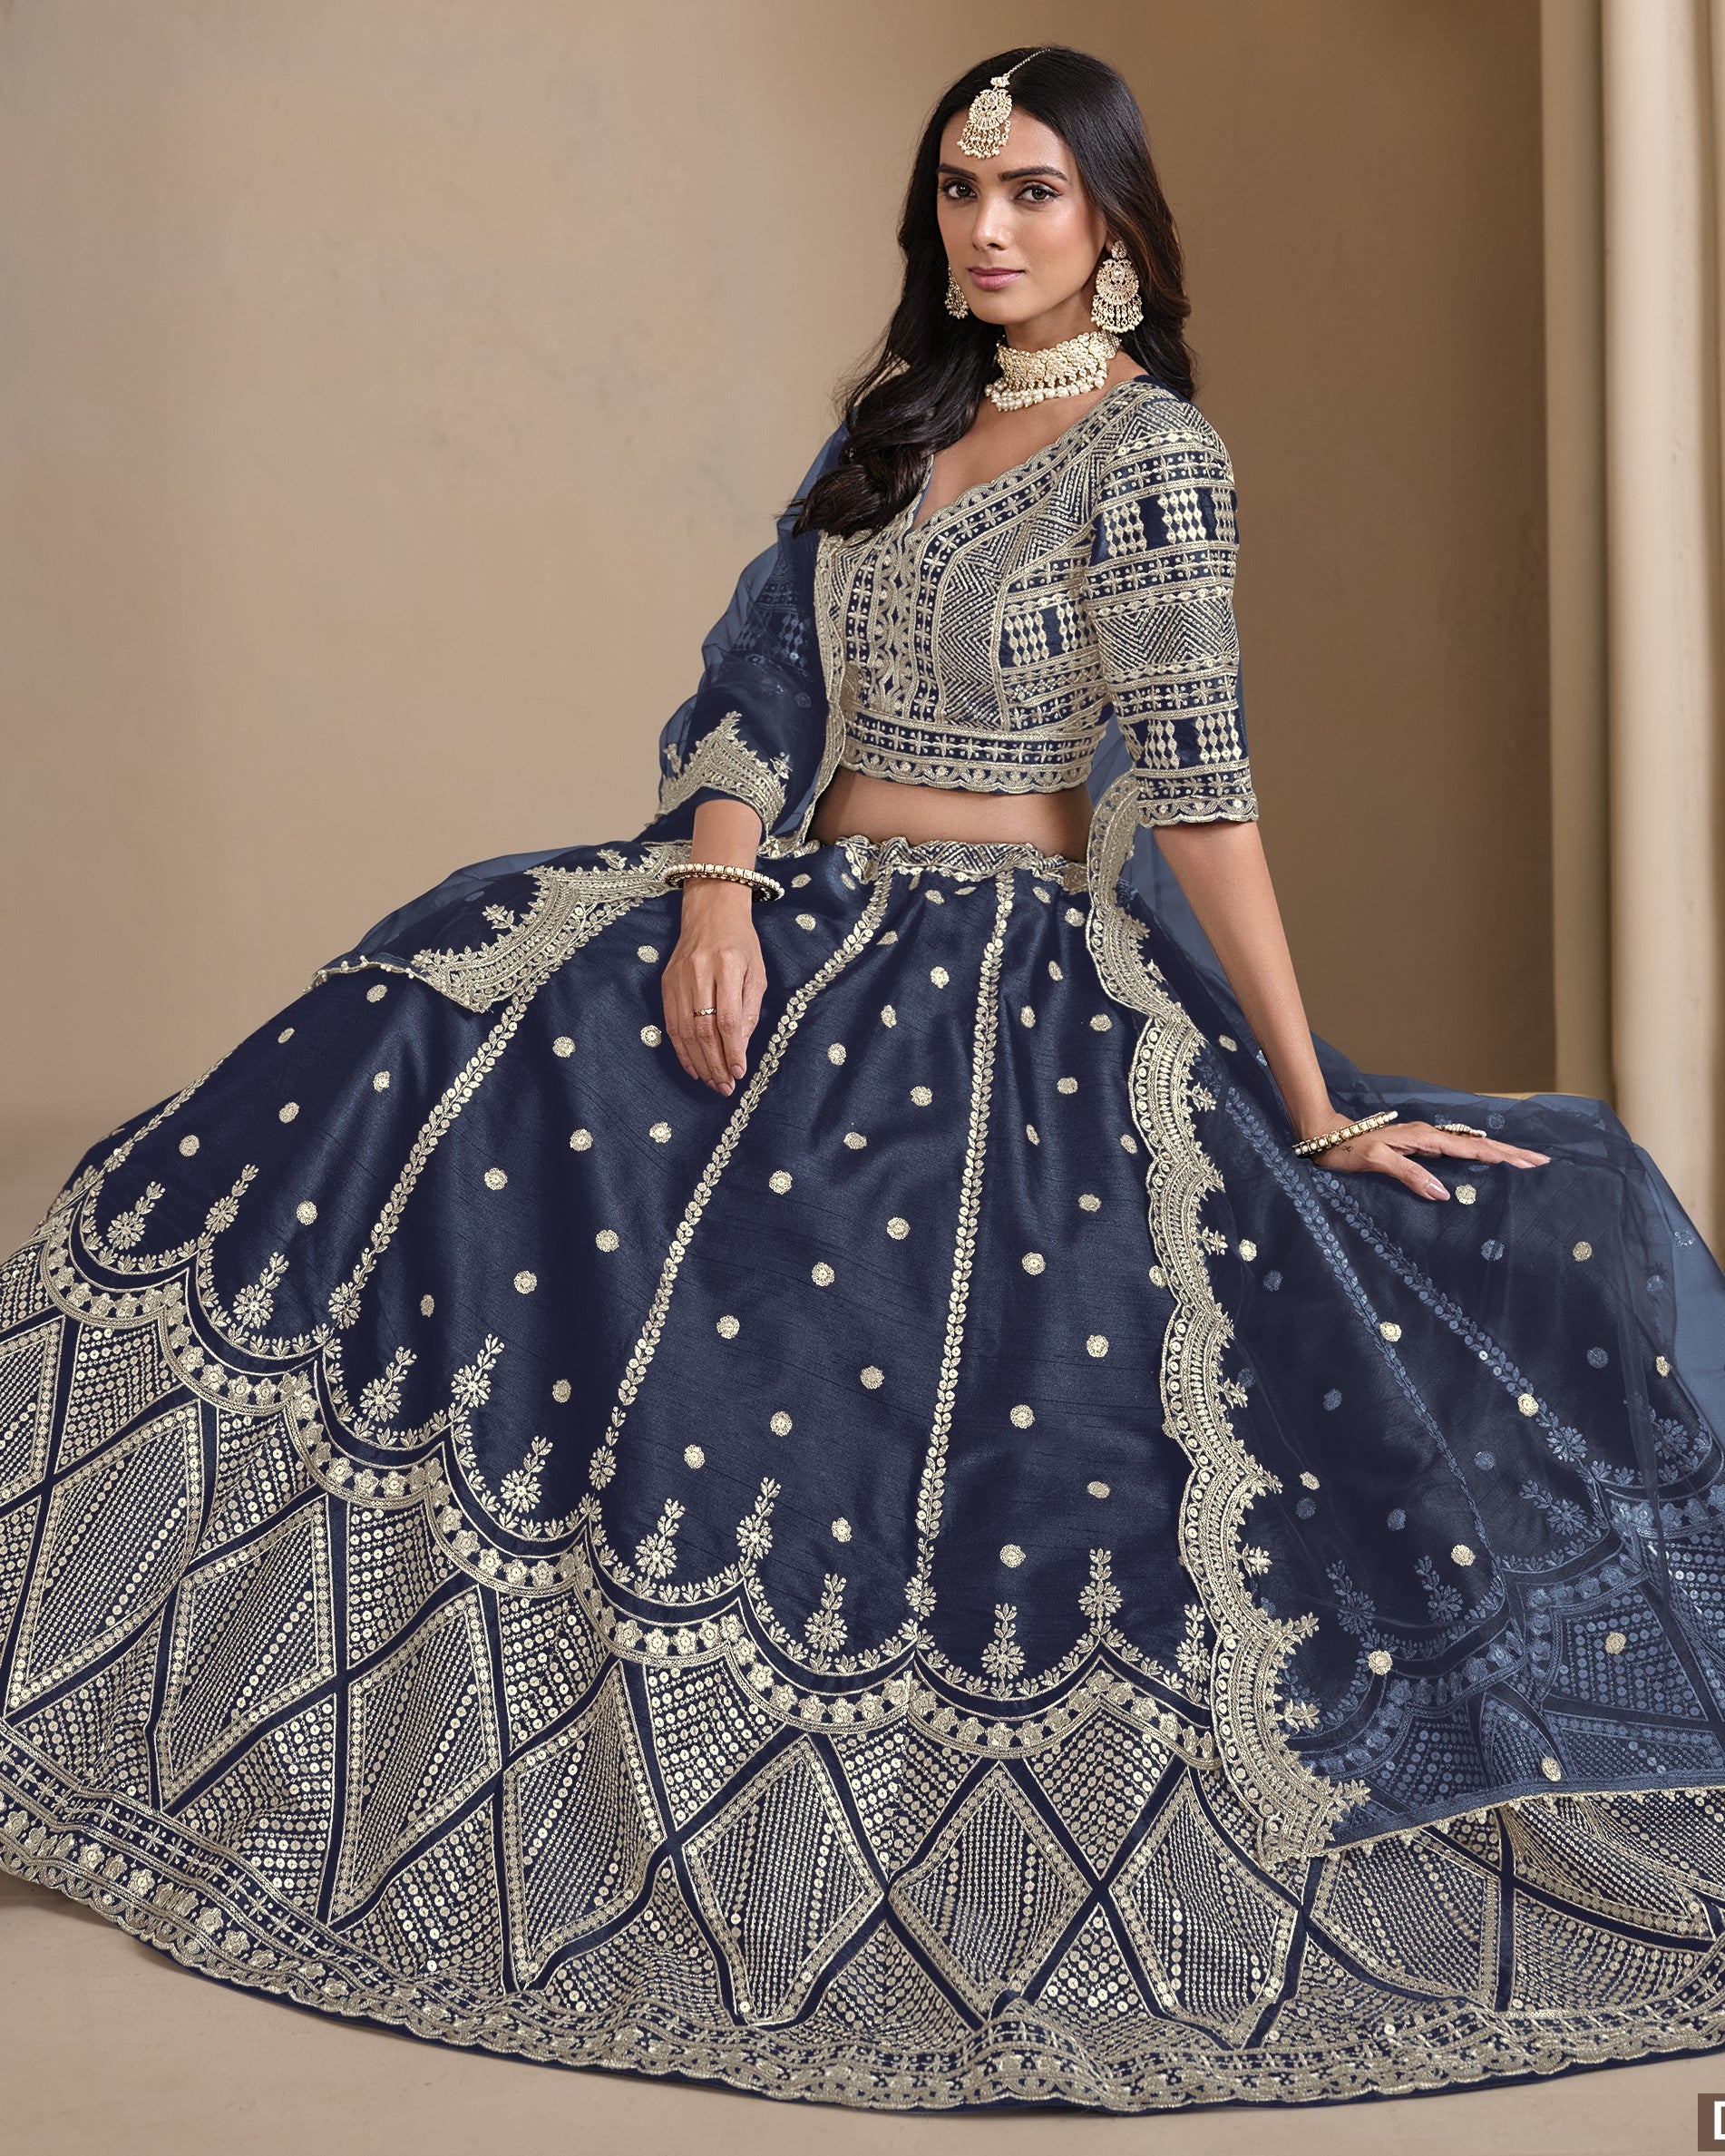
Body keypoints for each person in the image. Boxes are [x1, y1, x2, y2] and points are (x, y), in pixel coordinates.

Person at [5, 43, 1725, 2116]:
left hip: (1010, 980)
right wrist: (718, 889)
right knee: (431, 1022)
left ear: (1113, 225)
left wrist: (1312, 1099)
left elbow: (1203, 794)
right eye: (960, 192)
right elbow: (758, 677)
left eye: (1032, 194)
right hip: (794, 912)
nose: (986, 230)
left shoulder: (1152, 454)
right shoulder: (896, 428)